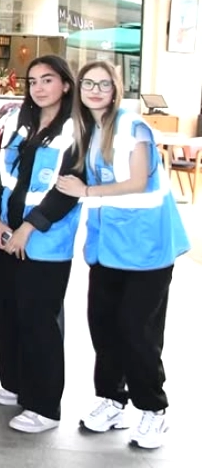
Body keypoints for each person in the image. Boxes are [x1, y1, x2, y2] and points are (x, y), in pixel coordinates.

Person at [62, 62, 190, 450]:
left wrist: (85, 192)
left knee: (138, 330)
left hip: (147, 249)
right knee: (103, 326)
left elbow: (136, 181)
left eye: (104, 84)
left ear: (116, 89)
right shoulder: (88, 129)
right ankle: (112, 399)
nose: (95, 90)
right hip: (108, 248)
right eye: (88, 83)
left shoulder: (133, 128)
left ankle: (154, 409)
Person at [0, 54, 81, 433]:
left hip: (45, 241)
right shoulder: (17, 122)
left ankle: (43, 405)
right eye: (33, 81)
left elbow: (68, 191)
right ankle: (16, 383)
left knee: (39, 319)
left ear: (65, 85)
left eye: (48, 80)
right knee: (6, 312)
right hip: (4, 234)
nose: (39, 88)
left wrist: (28, 229)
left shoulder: (76, 130)